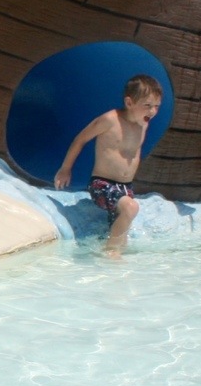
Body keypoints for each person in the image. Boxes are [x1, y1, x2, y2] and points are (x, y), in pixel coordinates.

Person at [53, 74, 163, 255]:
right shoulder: (110, 120)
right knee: (131, 208)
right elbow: (80, 139)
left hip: (126, 188)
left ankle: (108, 255)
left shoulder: (142, 124)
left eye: (157, 106)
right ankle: (110, 253)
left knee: (121, 233)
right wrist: (65, 169)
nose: (153, 111)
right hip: (102, 184)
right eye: (148, 105)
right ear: (129, 102)